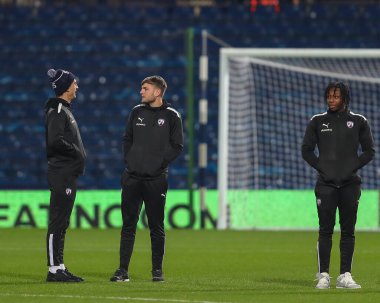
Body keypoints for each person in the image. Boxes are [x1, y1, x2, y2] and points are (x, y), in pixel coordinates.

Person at [302, 82, 375, 289]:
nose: (331, 100)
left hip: (350, 184)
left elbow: (369, 151)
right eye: (329, 96)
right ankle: (324, 275)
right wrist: (321, 166)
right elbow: (306, 150)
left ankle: (345, 275)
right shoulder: (317, 121)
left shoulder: (358, 121)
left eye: (335, 97)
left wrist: (353, 166)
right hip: (325, 184)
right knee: (325, 230)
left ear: (345, 98)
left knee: (348, 231)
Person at [110, 75, 183, 282]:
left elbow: (177, 146)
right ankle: (122, 270)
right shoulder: (136, 112)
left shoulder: (172, 116)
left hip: (156, 180)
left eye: (145, 88)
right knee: (128, 226)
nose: (141, 91)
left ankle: (157, 271)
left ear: (157, 92)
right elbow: (127, 139)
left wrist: (158, 165)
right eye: (141, 88)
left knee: (156, 226)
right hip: (132, 178)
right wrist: (130, 162)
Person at [45, 69, 86, 282]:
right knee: (58, 221)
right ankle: (53, 269)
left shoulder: (64, 110)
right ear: (66, 87)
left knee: (63, 222)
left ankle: (60, 265)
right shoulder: (59, 110)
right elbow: (55, 140)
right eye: (75, 83)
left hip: (67, 173)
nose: (77, 86)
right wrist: (76, 151)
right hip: (61, 172)